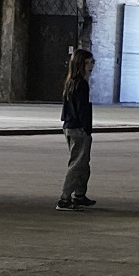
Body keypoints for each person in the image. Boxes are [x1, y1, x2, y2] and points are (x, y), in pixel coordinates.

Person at [56, 40, 99, 209]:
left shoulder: (71, 82)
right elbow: (81, 109)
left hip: (70, 126)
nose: (91, 67)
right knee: (77, 164)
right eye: (87, 63)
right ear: (80, 65)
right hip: (78, 129)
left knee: (83, 163)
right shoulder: (81, 85)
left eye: (92, 62)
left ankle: (79, 194)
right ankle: (64, 199)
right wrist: (86, 128)